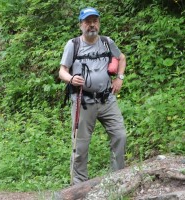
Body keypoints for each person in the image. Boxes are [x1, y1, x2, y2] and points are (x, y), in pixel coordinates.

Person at [59, 7, 127, 185]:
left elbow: (121, 58)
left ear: (99, 23)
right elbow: (62, 72)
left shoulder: (106, 42)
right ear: (81, 25)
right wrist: (72, 79)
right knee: (80, 146)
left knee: (120, 135)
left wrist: (119, 78)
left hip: (107, 99)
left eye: (94, 21)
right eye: (87, 22)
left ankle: (117, 178)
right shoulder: (73, 45)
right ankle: (79, 186)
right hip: (83, 101)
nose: (91, 25)